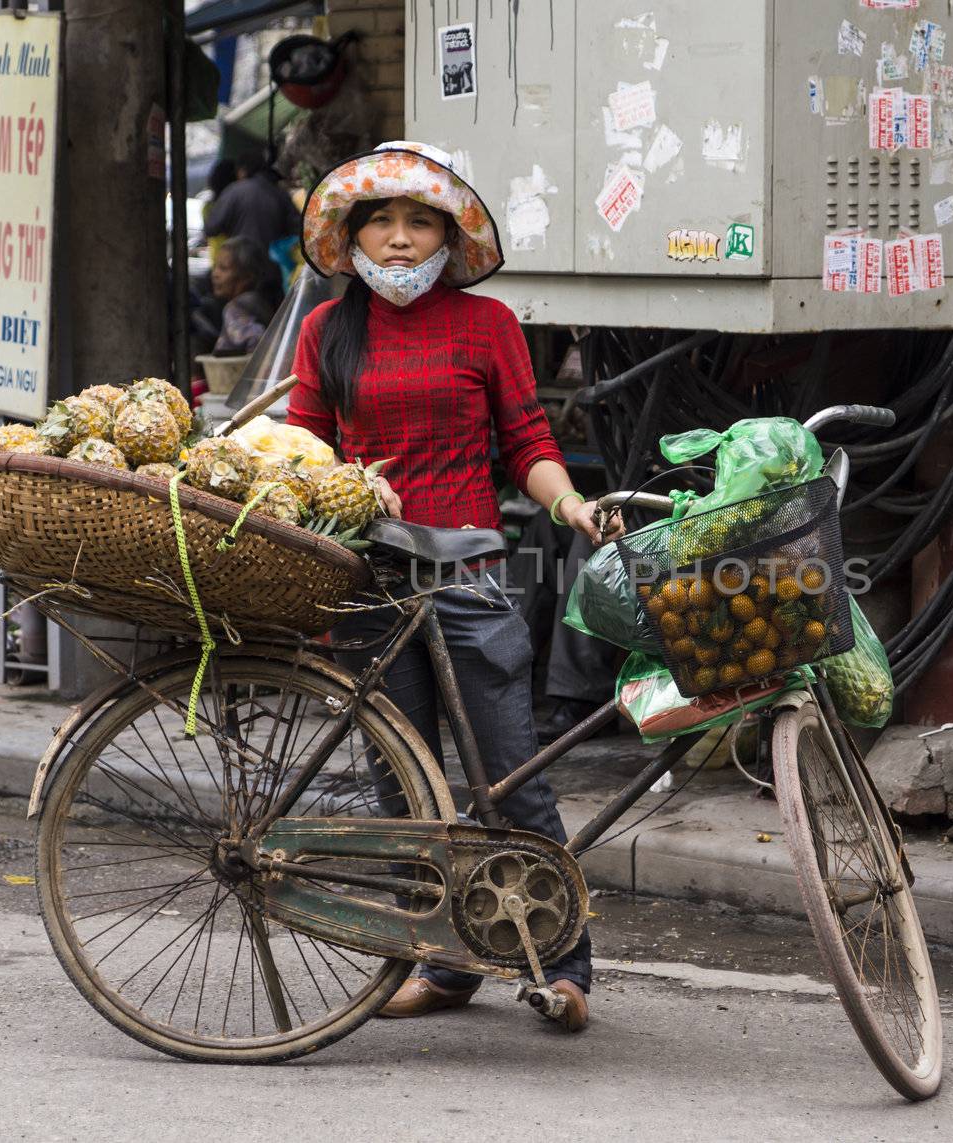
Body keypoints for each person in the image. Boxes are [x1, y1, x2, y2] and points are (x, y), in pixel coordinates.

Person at [288, 141, 622, 1032]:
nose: (399, 239)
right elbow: (299, 455)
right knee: (405, 786)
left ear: (448, 234)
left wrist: (573, 506)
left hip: (469, 577)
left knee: (512, 778)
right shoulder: (327, 332)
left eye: (418, 221)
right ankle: (441, 966)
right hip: (364, 581)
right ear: (354, 238)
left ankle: (567, 961)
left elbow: (529, 443)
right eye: (382, 222)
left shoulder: (488, 326)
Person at [202, 152, 299, 252]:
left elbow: (211, 228)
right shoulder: (281, 194)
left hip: (241, 260)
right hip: (272, 263)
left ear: (242, 171)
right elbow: (297, 229)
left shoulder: (234, 191)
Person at [208, 235, 281, 354]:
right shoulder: (260, 302)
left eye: (223, 268)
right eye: (215, 266)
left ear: (247, 277)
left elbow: (257, 340)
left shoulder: (235, 308)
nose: (215, 274)